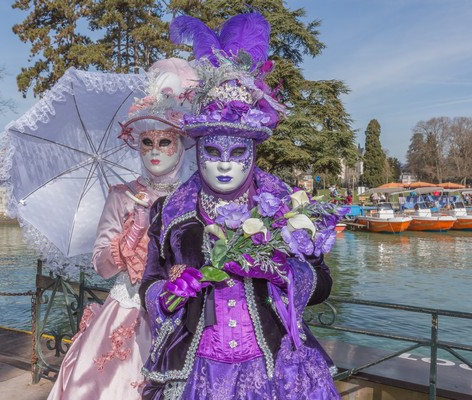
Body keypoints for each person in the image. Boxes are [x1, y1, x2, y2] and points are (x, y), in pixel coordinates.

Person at [139, 13, 341, 399]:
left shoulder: (285, 208)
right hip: (197, 368)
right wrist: (167, 293)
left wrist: (281, 271)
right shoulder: (170, 213)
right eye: (214, 152)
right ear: (198, 153)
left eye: (237, 152)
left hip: (274, 368)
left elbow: (321, 285)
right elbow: (150, 280)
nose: (226, 164)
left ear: (252, 151)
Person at [47, 58, 197, 400]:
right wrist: (129, 237)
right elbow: (101, 266)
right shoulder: (122, 196)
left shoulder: (194, 197)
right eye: (148, 142)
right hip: (127, 309)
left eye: (165, 141)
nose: (156, 150)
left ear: (181, 145)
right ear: (137, 144)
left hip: (182, 311)